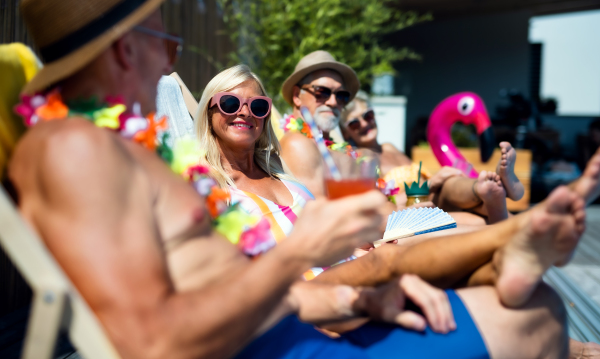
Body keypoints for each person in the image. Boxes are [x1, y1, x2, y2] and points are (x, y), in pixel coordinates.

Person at [6, 1, 597, 358]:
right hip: (274, 351)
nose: (169, 64)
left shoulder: (117, 150)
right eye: (167, 44)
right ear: (124, 52)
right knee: (535, 316)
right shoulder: (74, 151)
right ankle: (507, 240)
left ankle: (507, 240)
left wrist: (355, 298)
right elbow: (151, 343)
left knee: (532, 304)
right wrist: (302, 255)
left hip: (289, 321)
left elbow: (221, 291)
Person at [194, 64, 599, 356]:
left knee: (443, 232)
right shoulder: (207, 186)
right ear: (209, 112)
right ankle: (520, 230)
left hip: (342, 261)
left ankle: (509, 262)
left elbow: (325, 222)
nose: (244, 112)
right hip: (298, 289)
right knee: (396, 254)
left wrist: (355, 240)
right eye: (229, 102)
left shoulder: (282, 176)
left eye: (257, 106)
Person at [340, 90, 526, 224]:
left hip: (436, 196)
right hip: (418, 205)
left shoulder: (389, 147)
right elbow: (381, 204)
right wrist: (431, 183)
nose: (364, 124)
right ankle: (501, 188)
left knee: (457, 187)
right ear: (346, 133)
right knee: (449, 185)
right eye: (354, 124)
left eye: (368, 115)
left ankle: (492, 189)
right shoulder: (361, 158)